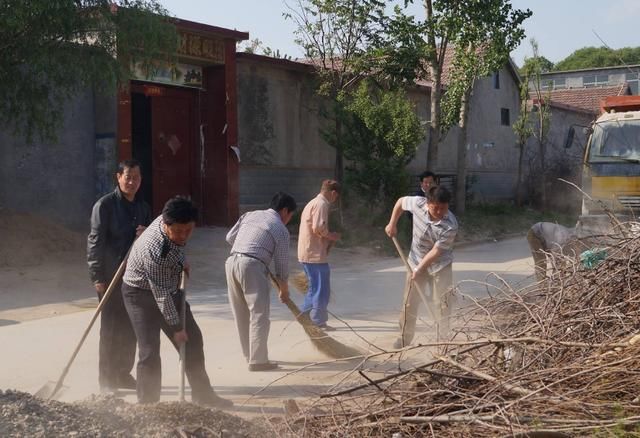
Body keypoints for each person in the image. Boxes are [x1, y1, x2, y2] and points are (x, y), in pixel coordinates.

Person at [122, 196, 232, 407]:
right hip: (139, 294)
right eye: (178, 231)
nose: (183, 236)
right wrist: (176, 327)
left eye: (188, 230)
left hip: (166, 286)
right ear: (165, 224)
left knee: (193, 340)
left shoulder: (170, 217)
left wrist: (181, 261)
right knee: (149, 349)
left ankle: (203, 396)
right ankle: (148, 405)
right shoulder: (157, 252)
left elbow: (174, 259)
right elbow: (163, 296)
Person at [87, 159, 151, 393]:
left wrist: (146, 234)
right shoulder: (104, 206)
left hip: (134, 277)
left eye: (136, 177)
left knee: (131, 327)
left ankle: (123, 374)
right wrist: (97, 276)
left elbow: (150, 243)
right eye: (128, 177)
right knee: (111, 329)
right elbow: (95, 242)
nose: (132, 182)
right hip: (110, 276)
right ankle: (107, 379)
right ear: (118, 177)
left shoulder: (143, 208)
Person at [225, 192, 296, 372]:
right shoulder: (280, 229)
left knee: (241, 313)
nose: (289, 219)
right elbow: (281, 265)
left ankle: (249, 356)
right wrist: (284, 290)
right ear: (285, 211)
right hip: (252, 265)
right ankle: (258, 361)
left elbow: (229, 238)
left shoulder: (250, 214)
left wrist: (249, 246)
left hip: (232, 262)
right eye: (290, 216)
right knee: (259, 314)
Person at [385, 186, 458, 347]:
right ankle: (404, 338)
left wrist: (420, 269)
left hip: (440, 265)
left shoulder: (450, 225)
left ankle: (442, 340)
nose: (439, 212)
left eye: (443, 208)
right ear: (428, 203)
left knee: (442, 303)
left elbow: (436, 251)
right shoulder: (418, 203)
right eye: (436, 208)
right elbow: (400, 202)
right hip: (415, 261)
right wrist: (392, 223)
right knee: (410, 301)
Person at [298, 180, 341, 330]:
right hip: (314, 254)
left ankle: (303, 314)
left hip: (309, 252)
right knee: (322, 289)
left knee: (314, 288)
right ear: (333, 193)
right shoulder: (322, 204)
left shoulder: (312, 202)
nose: (334, 200)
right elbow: (318, 228)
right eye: (336, 197)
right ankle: (318, 322)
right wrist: (331, 236)